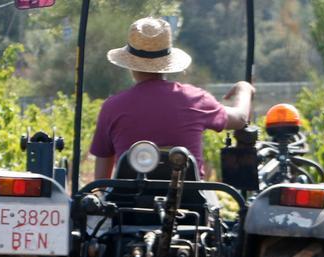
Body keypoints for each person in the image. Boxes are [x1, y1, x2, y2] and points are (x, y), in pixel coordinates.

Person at [90, 16, 255, 181]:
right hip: (189, 201)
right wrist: (244, 89)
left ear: (130, 65)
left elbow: (100, 181)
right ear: (167, 63)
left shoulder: (112, 107)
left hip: (127, 202)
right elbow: (240, 118)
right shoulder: (195, 99)